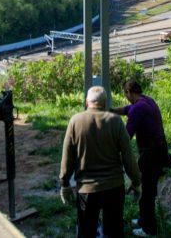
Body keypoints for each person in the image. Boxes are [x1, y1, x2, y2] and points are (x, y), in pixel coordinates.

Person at [60, 85, 141, 238]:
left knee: (86, 232)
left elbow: (67, 157)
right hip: (114, 187)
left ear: (86, 102)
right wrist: (136, 183)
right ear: (105, 103)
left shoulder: (75, 121)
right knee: (114, 232)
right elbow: (128, 158)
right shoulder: (116, 121)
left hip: (86, 189)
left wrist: (65, 184)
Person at [111, 80, 169, 237]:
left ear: (129, 91)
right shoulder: (147, 101)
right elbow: (126, 109)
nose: (126, 97)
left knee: (146, 192)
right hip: (160, 150)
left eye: (125, 93)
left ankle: (149, 229)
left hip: (151, 154)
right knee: (148, 188)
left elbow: (125, 137)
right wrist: (110, 111)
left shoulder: (138, 109)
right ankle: (144, 220)